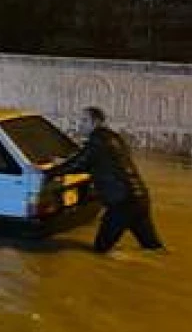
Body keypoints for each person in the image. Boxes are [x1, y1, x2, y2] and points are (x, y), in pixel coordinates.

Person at [47, 106, 166, 254]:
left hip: (121, 204)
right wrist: (65, 162)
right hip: (139, 197)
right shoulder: (113, 138)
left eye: (84, 120)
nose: (80, 124)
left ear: (95, 122)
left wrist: (49, 173)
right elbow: (94, 161)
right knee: (153, 248)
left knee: (101, 250)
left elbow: (79, 164)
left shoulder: (97, 142)